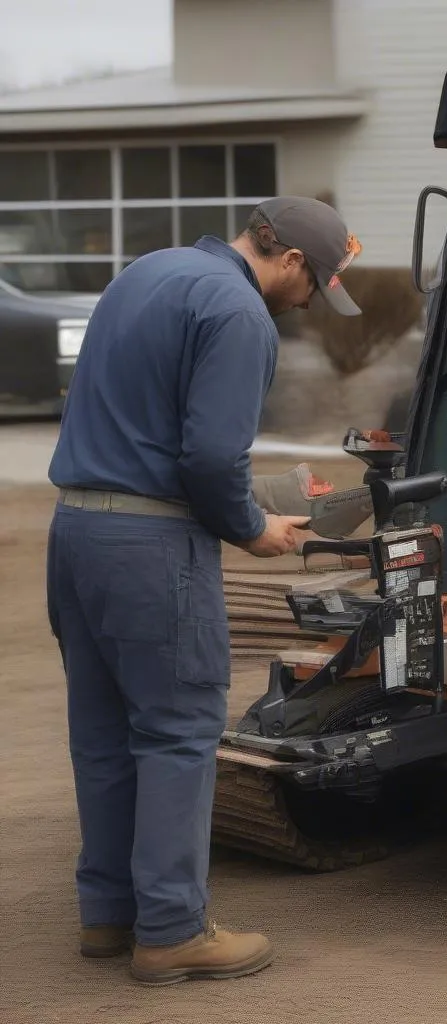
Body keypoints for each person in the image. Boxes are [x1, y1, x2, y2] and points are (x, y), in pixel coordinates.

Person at [45, 196, 362, 985]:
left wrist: (253, 498)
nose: (311, 299)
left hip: (78, 532)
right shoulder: (238, 311)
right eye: (315, 283)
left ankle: (109, 914)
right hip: (152, 550)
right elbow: (211, 457)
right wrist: (255, 528)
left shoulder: (145, 274)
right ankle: (174, 931)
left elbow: (144, 426)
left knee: (104, 732)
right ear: (286, 258)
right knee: (178, 732)